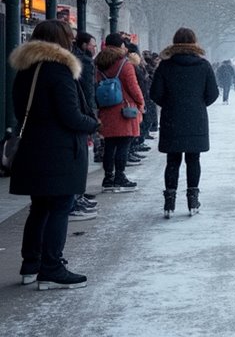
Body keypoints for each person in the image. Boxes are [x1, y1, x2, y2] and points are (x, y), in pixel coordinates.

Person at [9, 19, 100, 289]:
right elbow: (70, 115)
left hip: (33, 149)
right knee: (60, 207)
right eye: (68, 37)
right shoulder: (58, 70)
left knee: (39, 207)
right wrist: (94, 124)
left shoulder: (25, 70)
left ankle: (31, 264)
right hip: (59, 152)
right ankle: (52, 266)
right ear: (61, 40)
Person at [150, 28, 219, 217]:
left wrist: (170, 103)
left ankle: (169, 201)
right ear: (195, 42)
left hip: (172, 117)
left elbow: (155, 93)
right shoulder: (203, 66)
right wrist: (197, 103)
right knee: (193, 159)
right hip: (196, 118)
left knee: (172, 160)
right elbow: (213, 93)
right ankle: (193, 199)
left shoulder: (165, 66)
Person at [95, 33, 145, 193]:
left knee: (109, 145)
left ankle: (108, 178)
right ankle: (120, 177)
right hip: (124, 110)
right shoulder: (124, 64)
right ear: (120, 47)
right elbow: (133, 87)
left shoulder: (99, 63)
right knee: (124, 144)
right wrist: (141, 103)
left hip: (106, 109)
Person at [69, 31, 99, 221]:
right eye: (92, 45)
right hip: (79, 117)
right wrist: (91, 118)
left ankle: (75, 197)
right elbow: (87, 92)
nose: (94, 48)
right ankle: (74, 199)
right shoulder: (84, 63)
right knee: (79, 159)